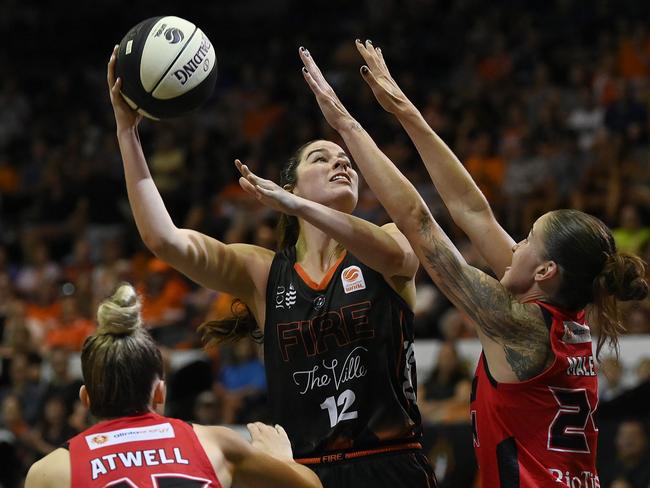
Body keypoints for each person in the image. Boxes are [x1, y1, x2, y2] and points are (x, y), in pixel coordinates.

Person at [296, 41, 649, 487]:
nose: (514, 244)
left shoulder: (515, 323)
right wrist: (405, 110)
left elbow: (418, 223)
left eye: (526, 240)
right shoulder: (563, 311)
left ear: (545, 271)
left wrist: (345, 123)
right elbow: (473, 211)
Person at [106, 46, 435, 487]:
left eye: (346, 160)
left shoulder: (389, 239)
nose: (340, 161)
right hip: (303, 475)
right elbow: (164, 239)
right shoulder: (262, 273)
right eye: (321, 157)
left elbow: (398, 257)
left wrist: (300, 205)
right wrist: (127, 133)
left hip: (392, 463)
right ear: (288, 187)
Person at [25, 283, 322, 488]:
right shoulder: (215, 443)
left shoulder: (50, 471)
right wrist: (283, 460)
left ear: (86, 398)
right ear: (159, 393)